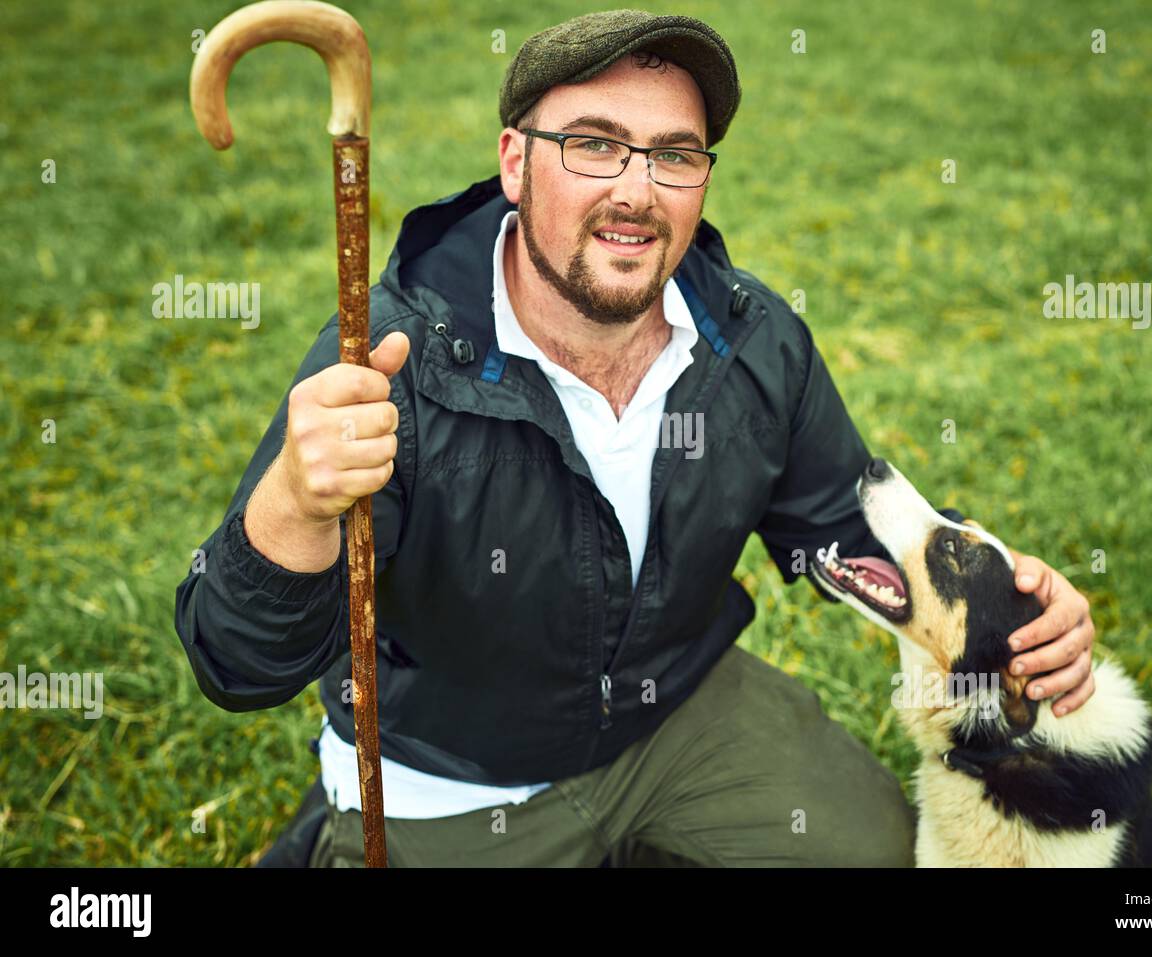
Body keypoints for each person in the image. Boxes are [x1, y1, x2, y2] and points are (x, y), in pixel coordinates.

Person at [174, 10, 1097, 867]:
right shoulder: (388, 359)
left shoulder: (751, 338)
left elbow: (843, 531)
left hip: (675, 706)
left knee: (869, 849)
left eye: (675, 155)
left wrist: (1010, 598)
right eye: (594, 145)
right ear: (514, 162)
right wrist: (295, 500)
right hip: (452, 777)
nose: (636, 191)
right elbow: (238, 662)